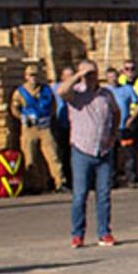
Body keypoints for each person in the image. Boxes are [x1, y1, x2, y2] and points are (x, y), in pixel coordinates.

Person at [58, 60, 122, 248]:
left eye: (92, 73)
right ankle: (77, 234)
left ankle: (104, 232)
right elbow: (60, 91)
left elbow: (116, 113)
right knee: (80, 194)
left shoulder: (106, 94)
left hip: (103, 149)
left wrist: (113, 134)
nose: (90, 77)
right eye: (87, 74)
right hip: (82, 149)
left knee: (103, 194)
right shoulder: (75, 94)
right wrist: (78, 76)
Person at [11, 64, 64, 193]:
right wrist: (22, 118)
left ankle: (60, 182)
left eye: (35, 75)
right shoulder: (20, 92)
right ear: (26, 76)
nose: (33, 78)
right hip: (29, 128)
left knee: (53, 155)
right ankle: (34, 185)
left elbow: (53, 105)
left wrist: (49, 117)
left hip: (44, 126)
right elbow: (14, 109)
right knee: (30, 157)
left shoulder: (46, 90)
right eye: (30, 75)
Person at [109, 62, 138, 188]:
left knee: (129, 154)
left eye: (115, 76)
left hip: (125, 128)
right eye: (110, 77)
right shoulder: (104, 91)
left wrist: (132, 118)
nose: (113, 79)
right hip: (111, 129)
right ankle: (112, 181)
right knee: (111, 156)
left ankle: (132, 179)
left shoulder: (127, 89)